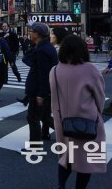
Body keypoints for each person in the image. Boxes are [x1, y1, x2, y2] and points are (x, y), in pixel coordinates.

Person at [49, 35, 106, 189]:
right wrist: (98, 114)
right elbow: (100, 97)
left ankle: (61, 185)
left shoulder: (55, 70)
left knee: (66, 158)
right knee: (86, 161)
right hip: (87, 121)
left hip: (64, 123)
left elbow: (54, 100)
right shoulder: (90, 69)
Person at [22, 22, 58, 152]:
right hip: (44, 89)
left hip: (39, 89)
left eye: (31, 32)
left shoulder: (42, 50)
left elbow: (44, 74)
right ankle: (65, 134)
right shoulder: (46, 47)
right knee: (44, 117)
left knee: (33, 118)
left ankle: (35, 146)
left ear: (36, 34)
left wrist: (41, 94)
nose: (30, 34)